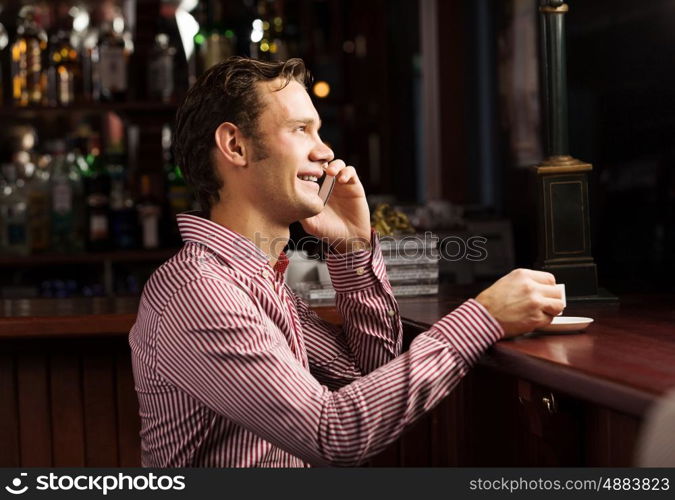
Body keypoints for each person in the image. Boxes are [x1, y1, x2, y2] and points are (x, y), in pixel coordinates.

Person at [129, 56, 564, 467]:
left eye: (318, 132)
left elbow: (367, 375)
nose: (324, 152)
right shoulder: (200, 291)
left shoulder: (254, 280)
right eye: (300, 129)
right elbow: (334, 433)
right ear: (235, 145)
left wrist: (353, 248)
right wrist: (484, 317)